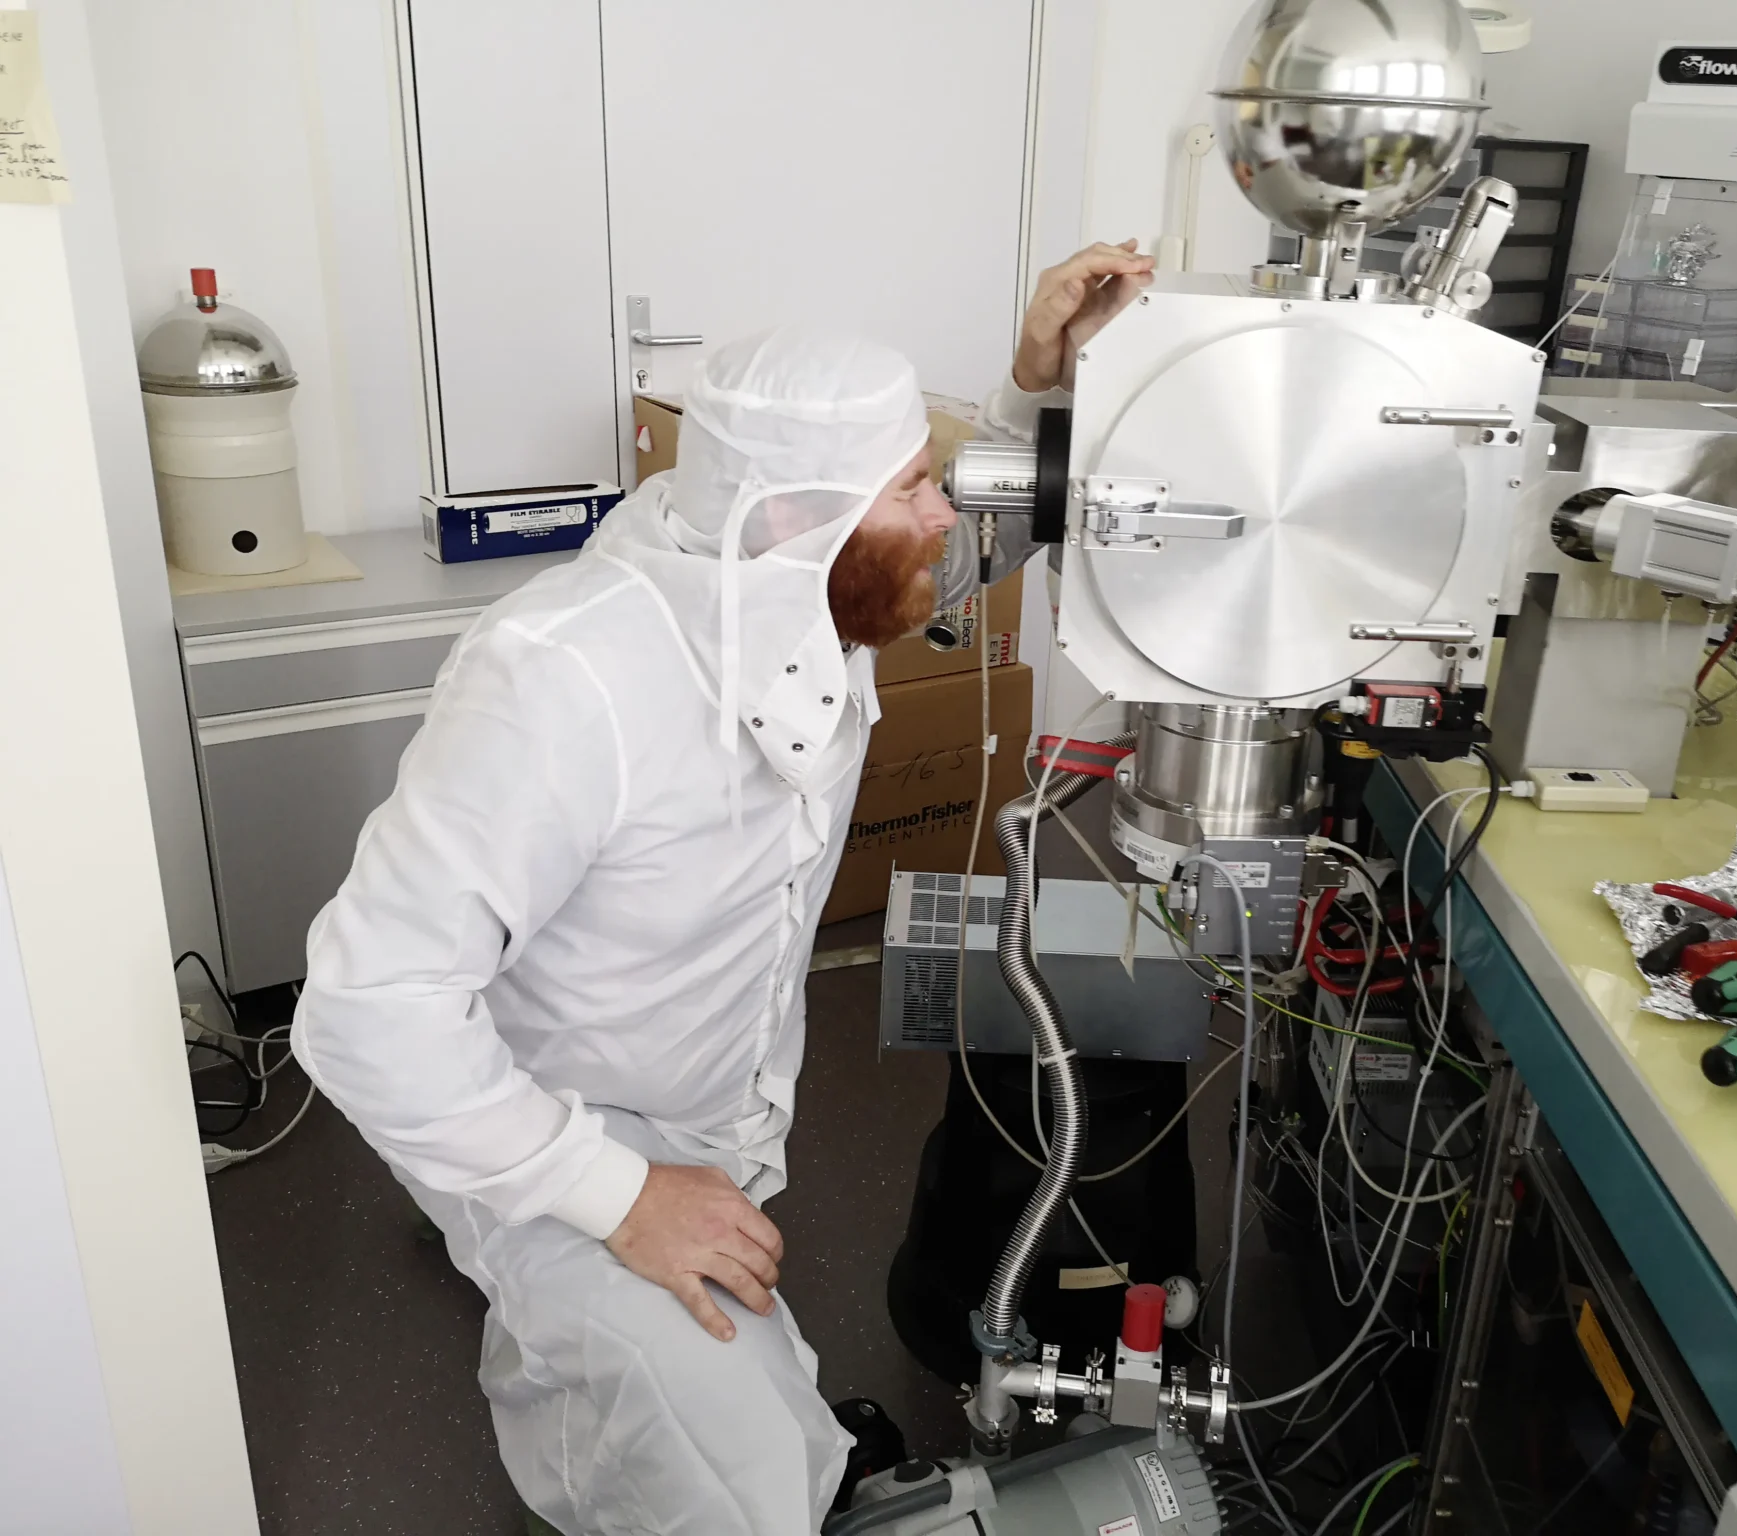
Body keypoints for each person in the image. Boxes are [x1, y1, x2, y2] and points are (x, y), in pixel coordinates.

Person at [290, 241, 1154, 1535]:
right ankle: (558, 1330)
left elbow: (964, 553)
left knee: (756, 1403)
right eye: (914, 479)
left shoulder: (799, 586)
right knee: (741, 1488)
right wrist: (617, 1198)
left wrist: (1037, 384)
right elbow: (367, 1010)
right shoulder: (566, 678)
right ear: (797, 516)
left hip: (705, 1123)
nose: (943, 508)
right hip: (551, 1138)